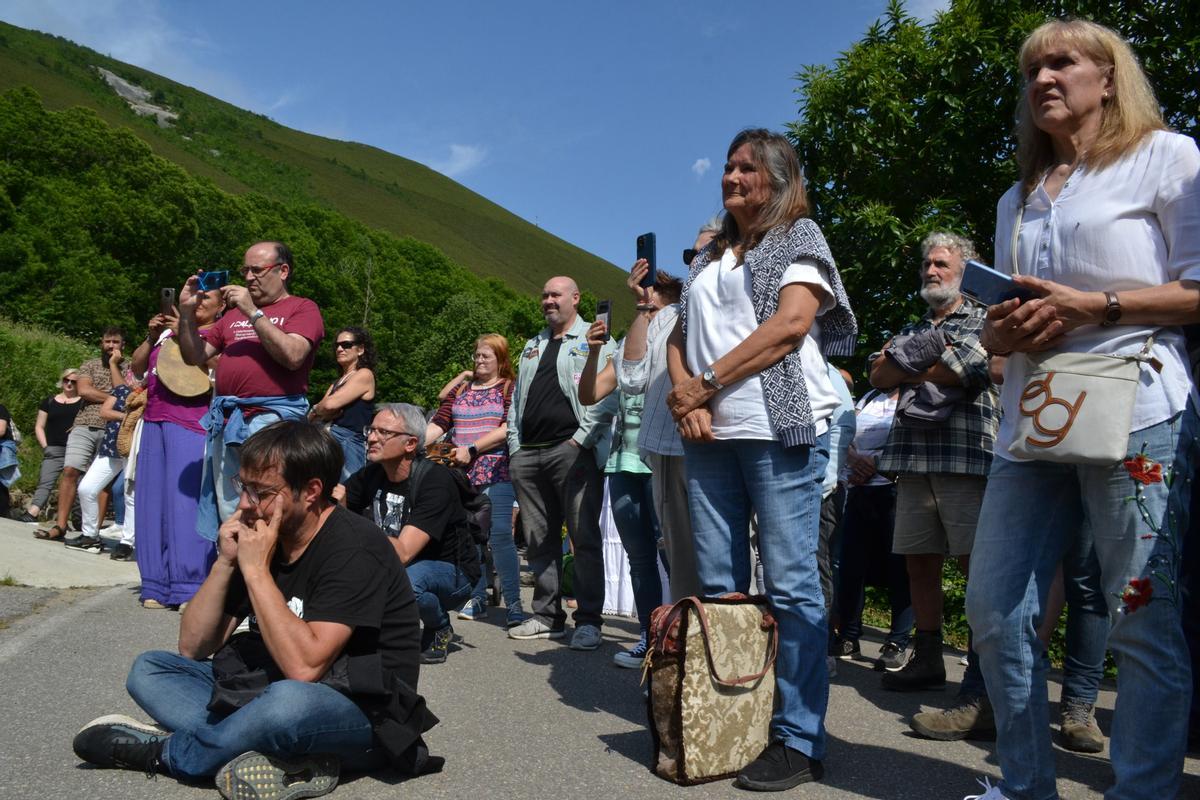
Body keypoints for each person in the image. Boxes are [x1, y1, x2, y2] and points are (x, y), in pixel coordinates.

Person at [964, 19, 1200, 800]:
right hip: (1033, 417)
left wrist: (1096, 306)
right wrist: (1000, 330)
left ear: (1108, 77)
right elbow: (1004, 322)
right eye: (1032, 69)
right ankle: (1024, 787)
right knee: (995, 611)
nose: (1043, 79)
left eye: (1062, 63)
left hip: (1139, 408)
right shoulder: (1017, 198)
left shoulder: (1168, 157)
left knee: (1142, 614)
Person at [72, 421, 438, 798]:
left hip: (361, 713)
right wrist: (226, 562)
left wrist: (256, 571)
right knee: (150, 669)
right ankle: (267, 752)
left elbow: (304, 669)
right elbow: (194, 646)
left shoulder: (354, 547)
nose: (246, 504)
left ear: (311, 491)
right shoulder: (263, 534)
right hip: (266, 691)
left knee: (287, 705)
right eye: (243, 486)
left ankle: (170, 754)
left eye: (261, 492)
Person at [666, 128, 857, 792]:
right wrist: (686, 400)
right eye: (727, 166)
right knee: (721, 586)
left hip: (779, 427)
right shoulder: (710, 253)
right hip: (711, 436)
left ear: (777, 179)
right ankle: (735, 718)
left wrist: (703, 386)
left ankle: (799, 737)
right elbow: (680, 334)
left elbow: (790, 327)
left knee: (792, 584)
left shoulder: (800, 237)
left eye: (747, 168)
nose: (731, 176)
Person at [867, 231, 998, 742]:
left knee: (975, 570)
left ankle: (983, 683)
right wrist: (919, 362)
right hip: (912, 460)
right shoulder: (916, 326)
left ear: (965, 270)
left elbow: (965, 367)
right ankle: (927, 659)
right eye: (926, 264)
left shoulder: (984, 319)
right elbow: (878, 375)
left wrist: (906, 364)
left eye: (941, 263)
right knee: (918, 562)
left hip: (966, 458)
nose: (930, 271)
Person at [176, 241, 325, 540]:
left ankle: (268, 558)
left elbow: (294, 355)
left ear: (283, 271)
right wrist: (187, 314)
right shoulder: (231, 317)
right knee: (229, 501)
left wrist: (253, 312)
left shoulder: (302, 308)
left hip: (272, 419)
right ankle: (232, 557)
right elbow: (194, 356)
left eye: (257, 270)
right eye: (245, 270)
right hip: (229, 419)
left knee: (269, 496)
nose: (248, 277)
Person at [505, 277, 618, 650]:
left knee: (583, 538)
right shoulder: (533, 344)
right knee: (539, 540)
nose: (548, 300)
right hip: (529, 453)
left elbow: (609, 392)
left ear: (576, 298)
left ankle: (588, 621)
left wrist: (580, 439)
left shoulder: (596, 337)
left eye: (556, 294)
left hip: (572, 450)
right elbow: (517, 399)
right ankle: (547, 617)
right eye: (544, 295)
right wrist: (515, 446)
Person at [579, 267, 681, 667]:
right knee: (640, 558)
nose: (646, 306)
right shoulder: (628, 342)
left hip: (662, 459)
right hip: (624, 461)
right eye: (642, 301)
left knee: (673, 555)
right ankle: (649, 638)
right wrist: (593, 352)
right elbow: (590, 393)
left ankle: (685, 639)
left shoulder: (679, 333)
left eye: (652, 301)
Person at [614, 221, 721, 604]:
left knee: (727, 554)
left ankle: (736, 633)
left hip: (722, 442)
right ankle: (690, 633)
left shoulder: (746, 301)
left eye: (706, 252)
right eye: (690, 255)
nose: (695, 261)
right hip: (668, 446)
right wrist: (645, 308)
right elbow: (630, 377)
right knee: (681, 560)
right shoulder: (668, 315)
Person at [344, 404, 481, 664]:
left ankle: (439, 626)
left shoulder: (435, 481)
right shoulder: (373, 473)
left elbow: (403, 553)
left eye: (384, 432)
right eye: (371, 429)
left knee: (404, 581)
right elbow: (336, 507)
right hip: (403, 562)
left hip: (452, 573)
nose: (371, 438)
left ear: (410, 444)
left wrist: (352, 531)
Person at [424, 334, 526, 628]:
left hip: (496, 469)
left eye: (486, 356)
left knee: (500, 535)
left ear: (500, 360)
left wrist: (472, 448)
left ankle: (514, 604)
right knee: (470, 537)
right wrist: (413, 441)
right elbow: (440, 422)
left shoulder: (509, 388)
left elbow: (509, 426)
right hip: (460, 472)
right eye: (477, 356)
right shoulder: (461, 389)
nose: (479, 361)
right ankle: (477, 597)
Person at [128, 294, 223, 607]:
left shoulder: (220, 332)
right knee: (151, 503)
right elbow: (136, 367)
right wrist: (152, 336)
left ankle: (190, 586)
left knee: (185, 505)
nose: (199, 303)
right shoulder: (166, 332)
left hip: (191, 421)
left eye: (207, 298)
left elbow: (220, 366)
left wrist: (185, 331)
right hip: (154, 419)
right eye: (195, 298)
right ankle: (155, 584)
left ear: (222, 305)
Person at [834, 385, 915, 671]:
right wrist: (855, 460)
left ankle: (897, 641)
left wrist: (876, 463)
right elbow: (846, 434)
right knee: (851, 567)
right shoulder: (870, 397)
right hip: (858, 489)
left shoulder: (914, 395)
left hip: (896, 489)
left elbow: (911, 439)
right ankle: (848, 636)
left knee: (900, 568)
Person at [42, 328, 125, 541]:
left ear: (123, 345)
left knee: (103, 483)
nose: (111, 345)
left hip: (113, 428)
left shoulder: (129, 367)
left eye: (115, 342)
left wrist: (114, 367)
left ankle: (92, 533)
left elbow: (123, 393)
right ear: (101, 343)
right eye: (107, 341)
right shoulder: (89, 364)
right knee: (70, 470)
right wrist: (114, 398)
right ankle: (61, 526)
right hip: (84, 424)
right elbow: (85, 391)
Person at [68, 381, 133, 553]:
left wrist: (119, 415)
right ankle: (90, 536)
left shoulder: (152, 391)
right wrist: (128, 417)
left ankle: (127, 542)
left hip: (135, 448)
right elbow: (104, 411)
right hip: (111, 446)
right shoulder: (122, 389)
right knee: (86, 488)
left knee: (130, 495)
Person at [310, 327, 376, 482]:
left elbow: (329, 405)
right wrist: (318, 409)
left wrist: (319, 409)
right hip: (327, 439)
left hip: (349, 443)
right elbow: (311, 416)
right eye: (337, 345)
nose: (339, 349)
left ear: (360, 349)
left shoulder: (364, 374)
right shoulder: (337, 382)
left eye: (346, 345)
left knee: (345, 492)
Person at [17, 369, 82, 524]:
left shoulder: (83, 402)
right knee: (45, 481)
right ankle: (33, 511)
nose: (69, 384)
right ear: (62, 380)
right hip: (53, 448)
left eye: (73, 381)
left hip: (76, 448)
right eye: (66, 380)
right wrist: (45, 446)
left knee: (79, 484)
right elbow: (39, 426)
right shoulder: (50, 401)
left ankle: (79, 518)